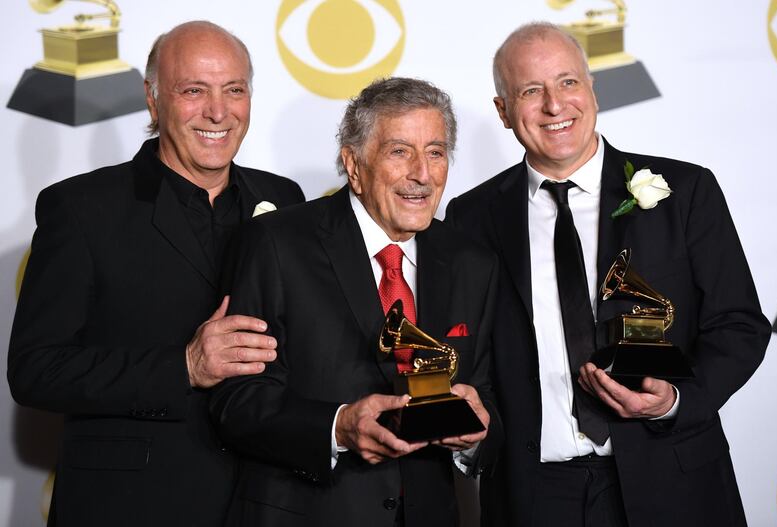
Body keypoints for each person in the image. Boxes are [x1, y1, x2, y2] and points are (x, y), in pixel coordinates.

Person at [446, 22, 771, 527]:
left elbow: (740, 325)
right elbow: (471, 353)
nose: (555, 105)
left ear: (592, 89)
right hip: (532, 497)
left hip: (673, 479)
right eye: (531, 91)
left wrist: (675, 401)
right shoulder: (471, 217)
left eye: (568, 82)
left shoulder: (684, 191)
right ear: (504, 111)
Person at [7, 21, 304, 526]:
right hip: (129, 505)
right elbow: (35, 371)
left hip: (264, 501)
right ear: (153, 98)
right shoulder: (81, 208)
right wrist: (182, 366)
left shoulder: (285, 201)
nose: (218, 111)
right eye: (193, 91)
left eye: (234, 90)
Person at [210, 77, 501, 527]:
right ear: (354, 165)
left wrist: (475, 436)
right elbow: (237, 402)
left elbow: (489, 401)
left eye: (436, 152)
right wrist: (338, 427)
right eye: (400, 151)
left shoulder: (472, 263)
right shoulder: (276, 244)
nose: (422, 174)